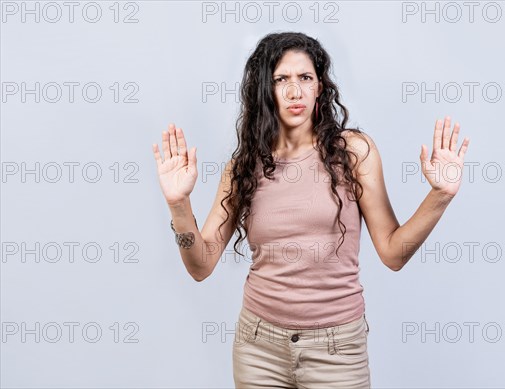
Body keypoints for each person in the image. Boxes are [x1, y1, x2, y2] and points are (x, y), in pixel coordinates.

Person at [152, 31, 470, 389]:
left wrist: (440, 195)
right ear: (265, 90)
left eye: (305, 78)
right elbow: (201, 265)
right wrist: (179, 204)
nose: (294, 91)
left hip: (337, 349)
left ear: (320, 86)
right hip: (259, 348)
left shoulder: (353, 152)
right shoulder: (243, 166)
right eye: (281, 80)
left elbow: (394, 253)